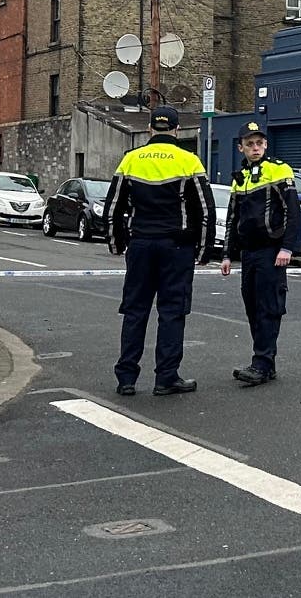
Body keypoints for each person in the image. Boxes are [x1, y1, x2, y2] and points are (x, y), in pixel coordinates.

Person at [107, 106, 215, 397]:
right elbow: (205, 210)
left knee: (135, 311)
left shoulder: (131, 159)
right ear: (177, 130)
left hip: (140, 244)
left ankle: (126, 378)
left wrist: (117, 243)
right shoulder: (189, 161)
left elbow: (114, 207)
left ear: (151, 129)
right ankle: (166, 378)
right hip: (176, 247)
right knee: (172, 312)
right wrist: (204, 251)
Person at [218, 120, 301, 384]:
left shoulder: (278, 170)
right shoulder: (239, 178)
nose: (255, 148)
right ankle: (265, 362)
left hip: (271, 251)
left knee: (269, 307)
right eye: (250, 144)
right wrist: (227, 254)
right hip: (249, 253)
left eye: (259, 143)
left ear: (265, 145)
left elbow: (292, 212)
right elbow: (233, 219)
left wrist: (287, 247)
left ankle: (261, 364)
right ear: (241, 147)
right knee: (252, 307)